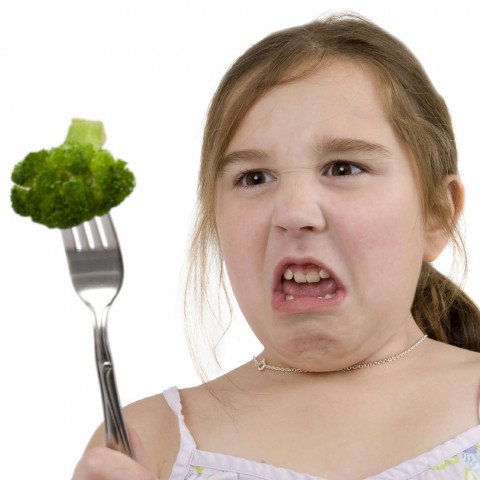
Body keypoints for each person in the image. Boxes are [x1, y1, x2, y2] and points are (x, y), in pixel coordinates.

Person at [72, 12, 480, 480]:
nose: (293, 211)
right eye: (254, 177)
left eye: (343, 168)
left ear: (436, 215)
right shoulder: (149, 442)